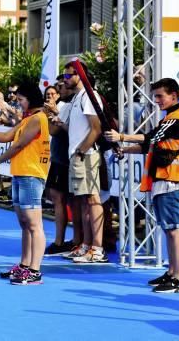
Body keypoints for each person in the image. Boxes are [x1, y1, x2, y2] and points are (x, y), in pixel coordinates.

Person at [104, 78, 179, 293]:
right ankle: (172, 272)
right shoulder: (169, 119)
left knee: (174, 229)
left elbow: (151, 138)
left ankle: (178, 278)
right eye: (155, 96)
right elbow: (151, 146)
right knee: (169, 229)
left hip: (172, 178)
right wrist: (124, 149)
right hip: (164, 179)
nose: (157, 100)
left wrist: (122, 136)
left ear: (174, 96)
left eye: (160, 96)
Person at [0, 81, 50, 285]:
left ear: (31, 99)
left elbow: (19, 145)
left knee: (34, 224)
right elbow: (7, 136)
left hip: (32, 175)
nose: (19, 104)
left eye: (21, 100)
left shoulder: (38, 118)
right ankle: (25, 265)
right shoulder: (26, 119)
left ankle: (35, 270)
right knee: (24, 224)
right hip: (20, 173)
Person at [60, 62, 107, 263]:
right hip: (78, 154)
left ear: (80, 75)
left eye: (68, 75)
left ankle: (97, 248)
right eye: (64, 75)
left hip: (86, 155)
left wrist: (81, 150)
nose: (65, 79)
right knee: (84, 202)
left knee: (92, 200)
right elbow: (77, 128)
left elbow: (96, 128)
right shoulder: (78, 98)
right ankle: (87, 245)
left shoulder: (89, 95)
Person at [43, 77, 81, 255]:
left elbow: (55, 130)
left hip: (66, 159)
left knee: (64, 200)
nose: (61, 88)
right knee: (60, 199)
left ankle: (63, 241)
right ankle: (70, 240)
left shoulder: (67, 106)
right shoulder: (67, 106)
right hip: (60, 158)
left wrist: (53, 113)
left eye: (60, 87)